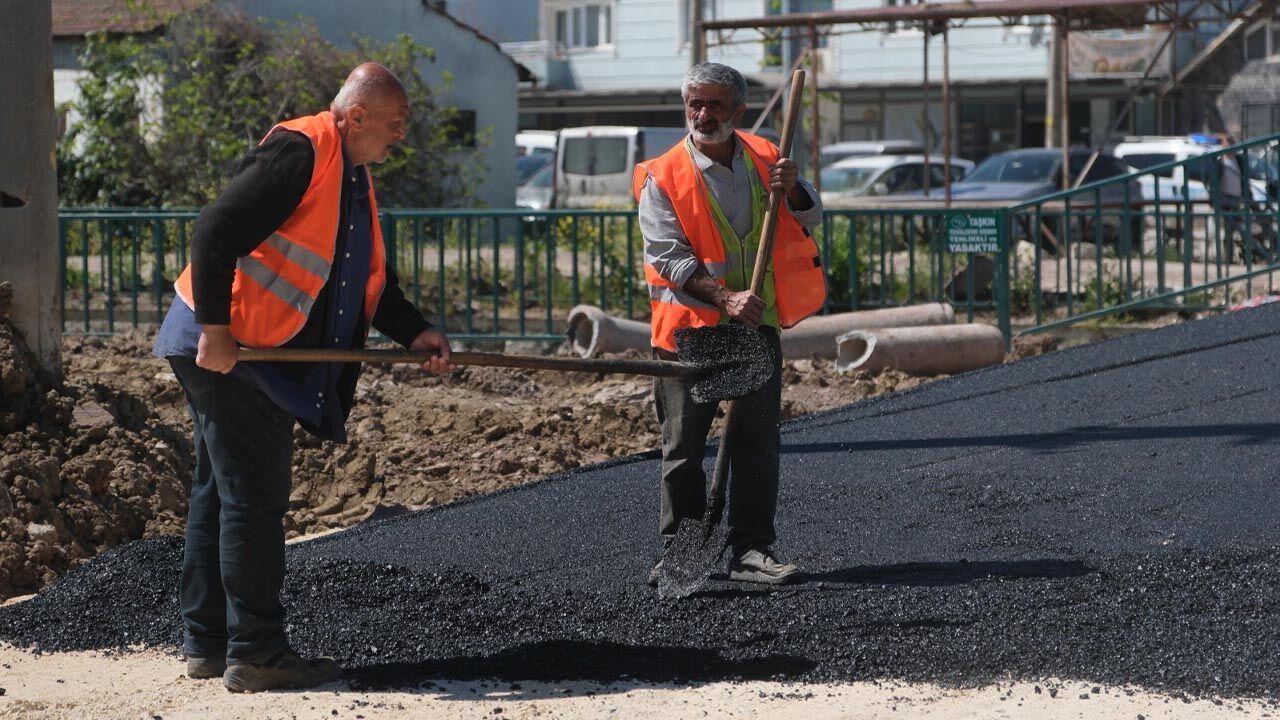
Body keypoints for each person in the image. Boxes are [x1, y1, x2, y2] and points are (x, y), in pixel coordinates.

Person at [152, 62, 454, 692]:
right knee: (254, 498)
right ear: (358, 115)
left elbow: (364, 278)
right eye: (395, 124)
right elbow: (213, 228)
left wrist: (416, 331)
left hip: (242, 348)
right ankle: (257, 652)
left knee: (220, 489)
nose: (401, 137)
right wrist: (215, 330)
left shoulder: (350, 176)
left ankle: (208, 642)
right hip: (232, 351)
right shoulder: (302, 150)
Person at [634, 63, 827, 586]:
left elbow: (810, 215)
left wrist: (794, 192)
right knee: (684, 450)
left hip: (755, 329)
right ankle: (682, 555)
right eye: (695, 104)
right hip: (688, 332)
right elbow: (669, 258)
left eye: (716, 104)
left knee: (756, 443)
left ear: (738, 110)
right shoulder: (663, 175)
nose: (703, 114)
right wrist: (725, 297)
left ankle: (751, 552)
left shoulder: (769, 157)